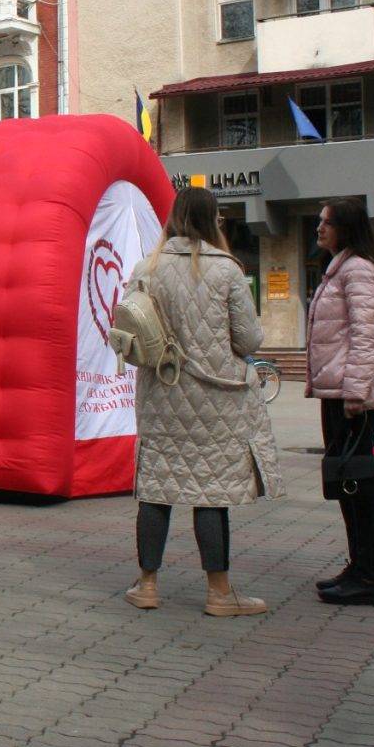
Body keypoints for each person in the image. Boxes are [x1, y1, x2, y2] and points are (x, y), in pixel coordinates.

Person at [122, 187, 283, 617]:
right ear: (215, 220)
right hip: (216, 400)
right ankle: (219, 592)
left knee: (156, 490)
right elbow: (248, 339)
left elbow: (129, 330)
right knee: (209, 492)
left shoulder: (146, 268)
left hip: (161, 394)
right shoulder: (226, 271)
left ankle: (148, 586)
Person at [306, 198, 374, 606]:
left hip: (352, 396)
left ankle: (369, 578)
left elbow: (365, 337)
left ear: (345, 228)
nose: (319, 229)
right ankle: (358, 567)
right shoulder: (340, 269)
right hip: (339, 392)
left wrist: (354, 392)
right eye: (318, 222)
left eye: (326, 223)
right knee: (346, 480)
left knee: (359, 483)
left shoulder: (357, 271)